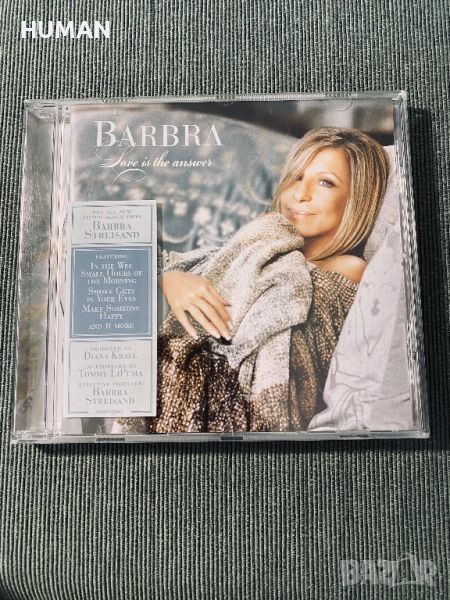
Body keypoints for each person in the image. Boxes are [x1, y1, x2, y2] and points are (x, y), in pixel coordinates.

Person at [115, 127, 390, 434]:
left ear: (357, 197)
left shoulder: (350, 269)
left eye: (325, 182)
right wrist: (169, 279)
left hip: (242, 411)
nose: (300, 194)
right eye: (297, 177)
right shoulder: (252, 249)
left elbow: (272, 328)